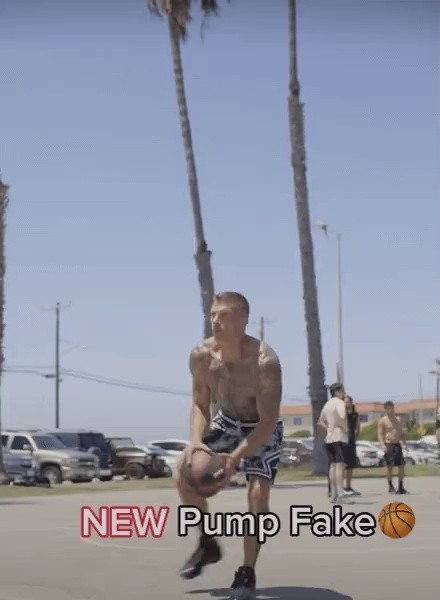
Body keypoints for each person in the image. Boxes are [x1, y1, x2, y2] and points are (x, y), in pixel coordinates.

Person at [176, 291, 283, 600]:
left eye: (223, 315)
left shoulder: (265, 361)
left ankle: (247, 570)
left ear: (243, 319)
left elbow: (267, 422)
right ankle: (207, 541)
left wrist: (233, 459)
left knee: (258, 496)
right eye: (213, 315)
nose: (215, 321)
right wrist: (196, 441)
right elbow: (200, 404)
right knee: (183, 474)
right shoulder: (201, 355)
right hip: (227, 421)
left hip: (260, 427)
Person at [318, 383, 354, 503]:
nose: (344, 394)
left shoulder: (327, 404)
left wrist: (329, 428)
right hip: (339, 436)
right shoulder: (340, 403)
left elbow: (321, 422)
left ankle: (334, 494)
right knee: (339, 466)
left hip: (329, 437)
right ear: (337, 392)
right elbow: (342, 416)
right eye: (342, 391)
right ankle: (340, 495)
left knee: (333, 466)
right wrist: (345, 429)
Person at [377, 401, 408, 494]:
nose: (391, 410)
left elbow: (401, 432)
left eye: (392, 408)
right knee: (389, 467)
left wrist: (404, 442)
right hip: (388, 444)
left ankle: (401, 487)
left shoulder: (398, 419)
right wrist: (382, 445)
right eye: (389, 408)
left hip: (397, 444)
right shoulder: (382, 420)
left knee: (401, 466)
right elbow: (380, 434)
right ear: (385, 409)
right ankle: (390, 486)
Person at [343, 396, 361, 495]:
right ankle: (340, 487)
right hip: (343, 441)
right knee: (342, 465)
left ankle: (348, 487)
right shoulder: (342, 414)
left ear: (351, 403)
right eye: (345, 402)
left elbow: (358, 427)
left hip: (352, 441)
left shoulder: (355, 414)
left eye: (347, 402)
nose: (346, 404)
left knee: (350, 466)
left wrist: (356, 437)